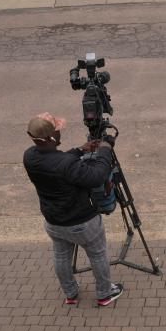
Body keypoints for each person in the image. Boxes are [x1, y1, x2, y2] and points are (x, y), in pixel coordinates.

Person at [22, 113, 124, 307]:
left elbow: (55, 161)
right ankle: (104, 294)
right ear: (52, 137)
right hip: (81, 222)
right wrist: (105, 150)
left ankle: (70, 293)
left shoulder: (30, 156)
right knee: (98, 254)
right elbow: (96, 177)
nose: (60, 133)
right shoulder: (66, 164)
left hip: (53, 221)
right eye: (58, 131)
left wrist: (79, 150)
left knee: (61, 256)